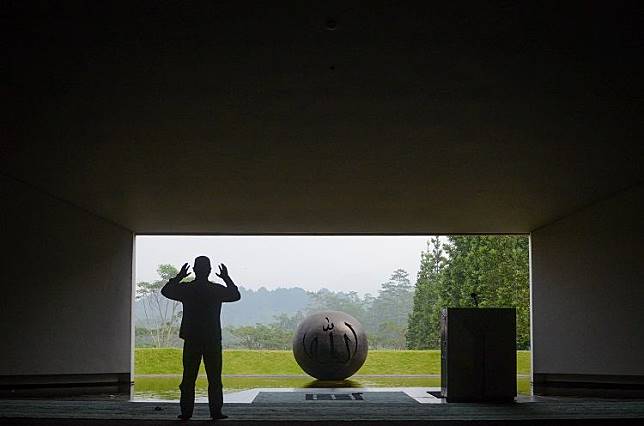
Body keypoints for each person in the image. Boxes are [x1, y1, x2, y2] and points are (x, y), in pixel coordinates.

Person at [161, 256, 241, 420]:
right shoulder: (216, 289)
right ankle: (216, 412)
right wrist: (226, 278)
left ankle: (186, 413)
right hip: (212, 339)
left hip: (192, 339)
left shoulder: (187, 289)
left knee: (188, 378)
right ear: (210, 270)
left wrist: (178, 277)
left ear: (195, 270)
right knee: (215, 378)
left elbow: (166, 291)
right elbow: (235, 295)